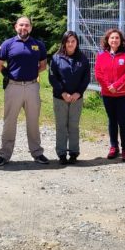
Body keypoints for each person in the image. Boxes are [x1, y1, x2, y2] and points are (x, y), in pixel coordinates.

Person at [0, 16, 49, 166]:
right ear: (16, 27)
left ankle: (37, 152)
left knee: (33, 121)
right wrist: (9, 75)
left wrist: (31, 73)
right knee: (9, 121)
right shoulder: (8, 44)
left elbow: (43, 66)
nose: (24, 28)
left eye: (27, 25)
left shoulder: (38, 45)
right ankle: (4, 154)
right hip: (13, 87)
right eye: (21, 25)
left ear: (31, 27)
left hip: (32, 86)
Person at [48, 30, 90, 165]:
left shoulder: (83, 58)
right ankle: (61, 153)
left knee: (73, 126)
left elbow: (86, 78)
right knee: (61, 126)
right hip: (60, 97)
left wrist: (79, 92)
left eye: (73, 41)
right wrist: (63, 93)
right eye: (68, 41)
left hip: (77, 98)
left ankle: (73, 152)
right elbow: (53, 77)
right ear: (64, 42)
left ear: (77, 42)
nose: (70, 44)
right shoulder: (56, 58)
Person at [94, 28, 125, 161]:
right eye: (112, 38)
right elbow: (98, 73)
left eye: (117, 38)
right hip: (107, 94)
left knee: (122, 121)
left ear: (121, 40)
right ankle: (113, 147)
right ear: (107, 40)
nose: (114, 40)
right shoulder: (101, 55)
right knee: (112, 121)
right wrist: (108, 87)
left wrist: (116, 86)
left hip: (123, 94)